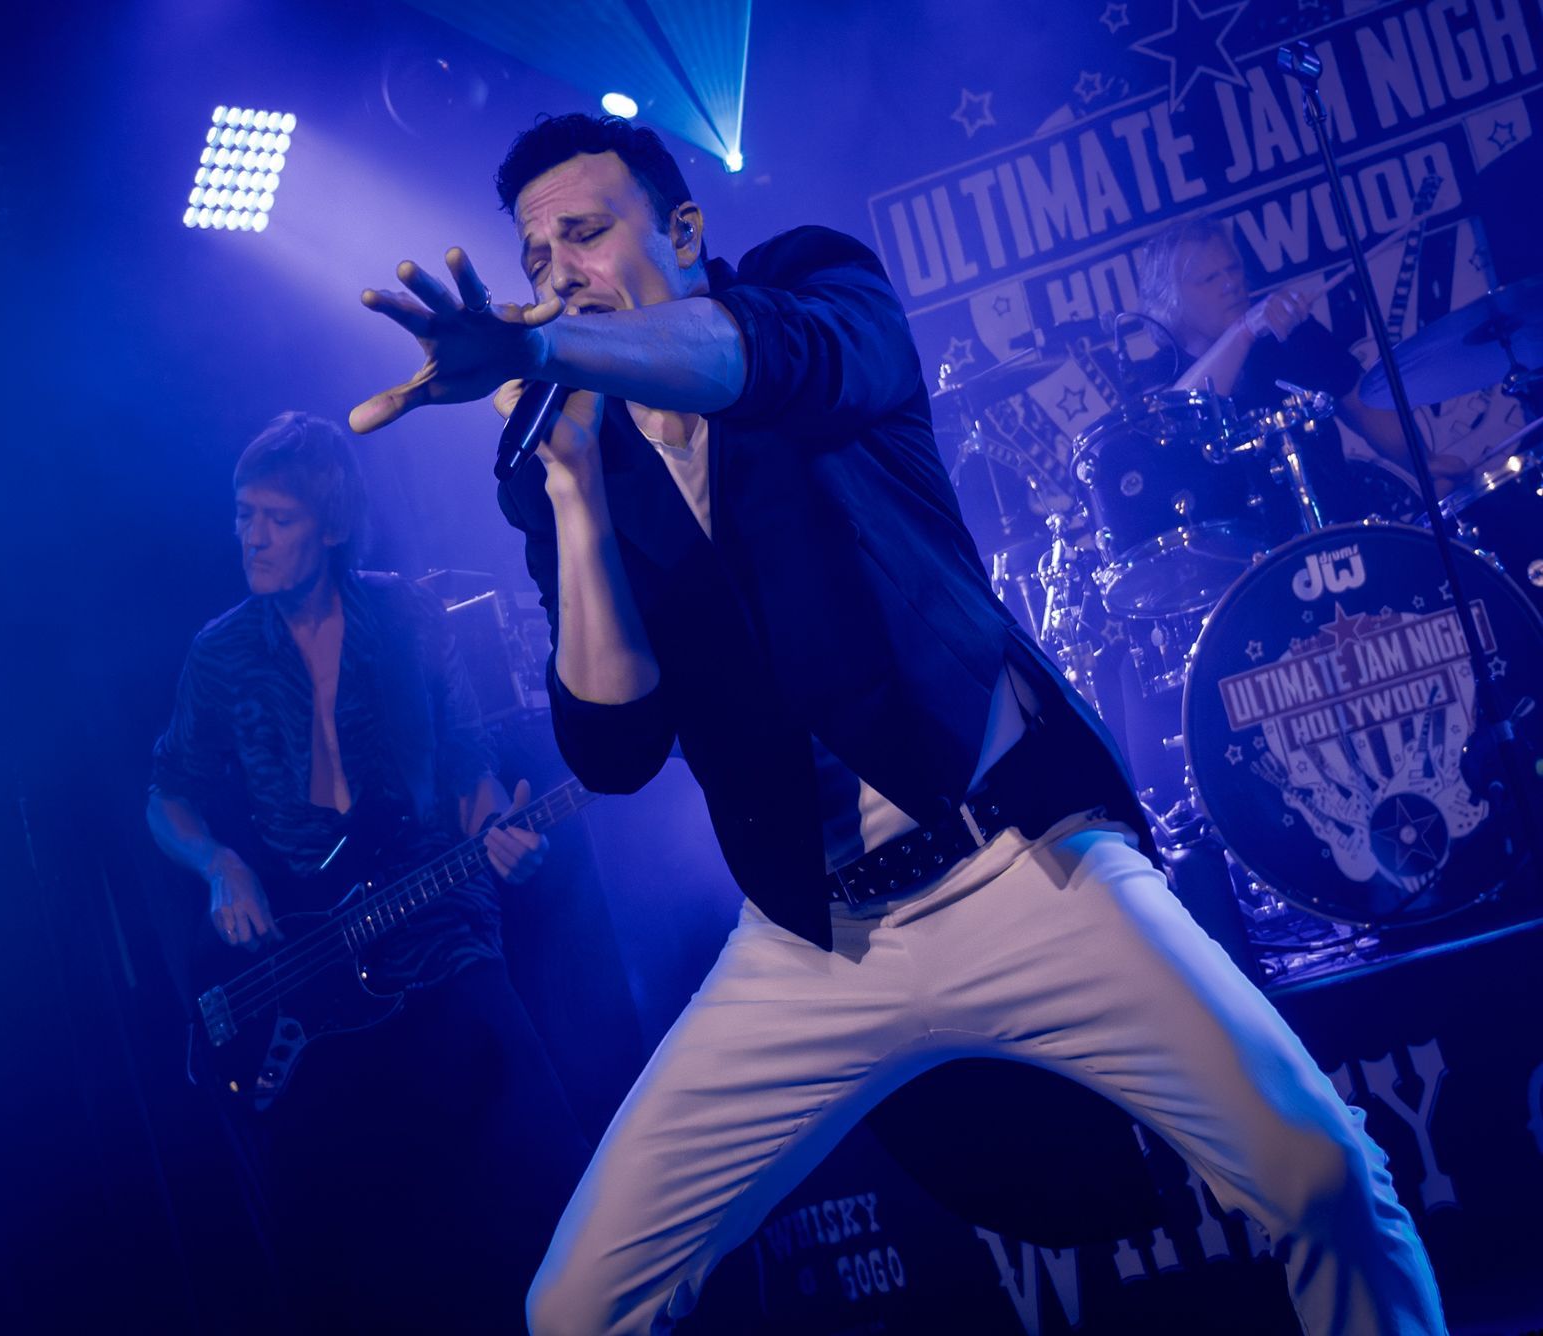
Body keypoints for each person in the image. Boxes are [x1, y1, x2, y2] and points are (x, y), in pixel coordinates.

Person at [348, 113, 1448, 1334]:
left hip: (1024, 863)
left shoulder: (819, 287)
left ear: (688, 235)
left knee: (1326, 1177)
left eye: (588, 232)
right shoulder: (561, 458)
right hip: (813, 937)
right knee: (576, 1307)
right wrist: (567, 494)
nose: (555, 269)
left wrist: (590, 359)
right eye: (535, 250)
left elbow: (753, 363)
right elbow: (614, 751)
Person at [145, 411, 586, 1332]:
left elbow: (466, 767)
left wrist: (504, 830)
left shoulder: (405, 613)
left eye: (275, 518)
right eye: (242, 516)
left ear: (331, 524)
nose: (251, 538)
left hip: (443, 935)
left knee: (552, 1196)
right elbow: (165, 798)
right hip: (308, 970)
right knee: (348, 1276)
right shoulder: (219, 654)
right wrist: (221, 864)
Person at [1133, 214, 1471, 514]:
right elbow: (1180, 425)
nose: (1231, 284)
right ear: (1169, 300)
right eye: (1209, 279)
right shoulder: (1156, 378)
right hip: (1245, 572)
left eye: (1233, 268)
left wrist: (1425, 466)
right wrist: (1243, 331)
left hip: (1344, 533)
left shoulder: (1293, 336)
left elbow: (1368, 410)